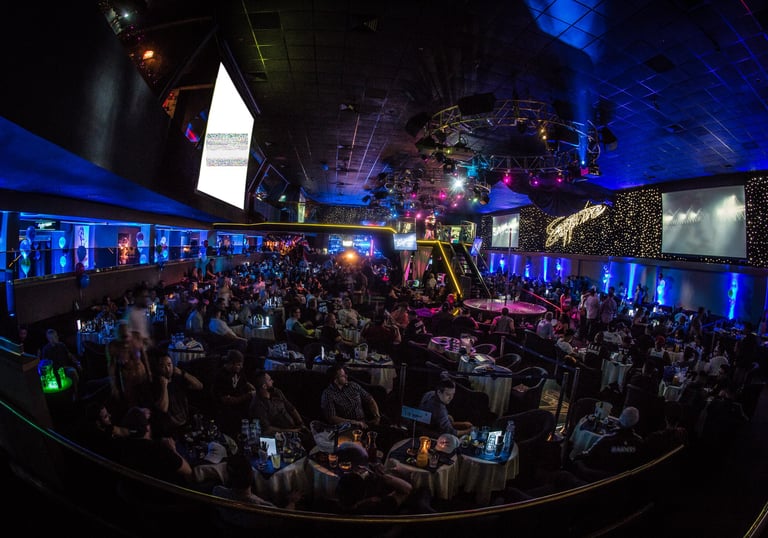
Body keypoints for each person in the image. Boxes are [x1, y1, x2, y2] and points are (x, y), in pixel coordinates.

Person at [117, 406, 193, 500]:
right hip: (171, 499)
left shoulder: (122, 449)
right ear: (147, 428)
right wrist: (173, 450)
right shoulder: (159, 450)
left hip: (140, 499)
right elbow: (188, 471)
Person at [212, 453, 301, 527]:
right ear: (252, 475)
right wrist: (292, 501)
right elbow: (285, 518)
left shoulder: (217, 492)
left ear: (228, 476)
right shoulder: (265, 509)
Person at [249, 371, 313, 450]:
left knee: (315, 433)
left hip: (295, 425)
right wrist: (292, 431)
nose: (273, 381)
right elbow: (268, 429)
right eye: (270, 380)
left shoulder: (276, 392)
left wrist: (301, 423)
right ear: (264, 386)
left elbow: (291, 408)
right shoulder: (258, 405)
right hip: (281, 434)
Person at [575, 406, 646, 476]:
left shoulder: (607, 440)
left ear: (620, 419)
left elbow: (588, 455)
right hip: (620, 478)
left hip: (594, 475)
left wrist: (577, 456)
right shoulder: (639, 442)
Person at [149, 350, 203, 438]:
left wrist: (183, 373)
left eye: (169, 365)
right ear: (157, 368)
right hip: (171, 429)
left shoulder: (177, 379)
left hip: (186, 423)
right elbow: (163, 408)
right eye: (163, 366)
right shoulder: (155, 385)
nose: (167, 369)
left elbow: (199, 386)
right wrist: (164, 387)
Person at [106, 321, 153, 420]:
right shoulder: (113, 346)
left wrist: (149, 372)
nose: (125, 341)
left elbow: (144, 357)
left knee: (147, 402)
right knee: (132, 406)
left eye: (126, 336)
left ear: (130, 332)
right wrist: (113, 386)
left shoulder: (137, 338)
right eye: (122, 338)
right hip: (127, 380)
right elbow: (111, 368)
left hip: (142, 375)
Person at [320, 365, 381, 429]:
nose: (346, 376)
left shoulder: (353, 385)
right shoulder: (328, 394)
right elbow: (332, 418)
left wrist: (377, 416)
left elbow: (370, 399)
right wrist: (355, 422)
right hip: (347, 427)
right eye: (343, 376)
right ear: (335, 380)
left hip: (365, 422)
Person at [212, 350, 257, 437]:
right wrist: (248, 395)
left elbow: (244, 382)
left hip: (241, 407)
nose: (241, 367)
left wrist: (251, 387)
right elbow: (227, 401)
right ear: (231, 364)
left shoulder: (238, 372)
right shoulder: (221, 377)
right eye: (239, 364)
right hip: (227, 411)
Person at [39, 328, 82, 398]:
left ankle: (76, 393)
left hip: (65, 368)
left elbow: (70, 355)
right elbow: (45, 364)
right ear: (49, 339)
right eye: (53, 337)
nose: (56, 338)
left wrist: (78, 363)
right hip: (54, 372)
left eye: (56, 336)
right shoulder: (46, 349)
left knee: (73, 372)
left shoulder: (61, 345)